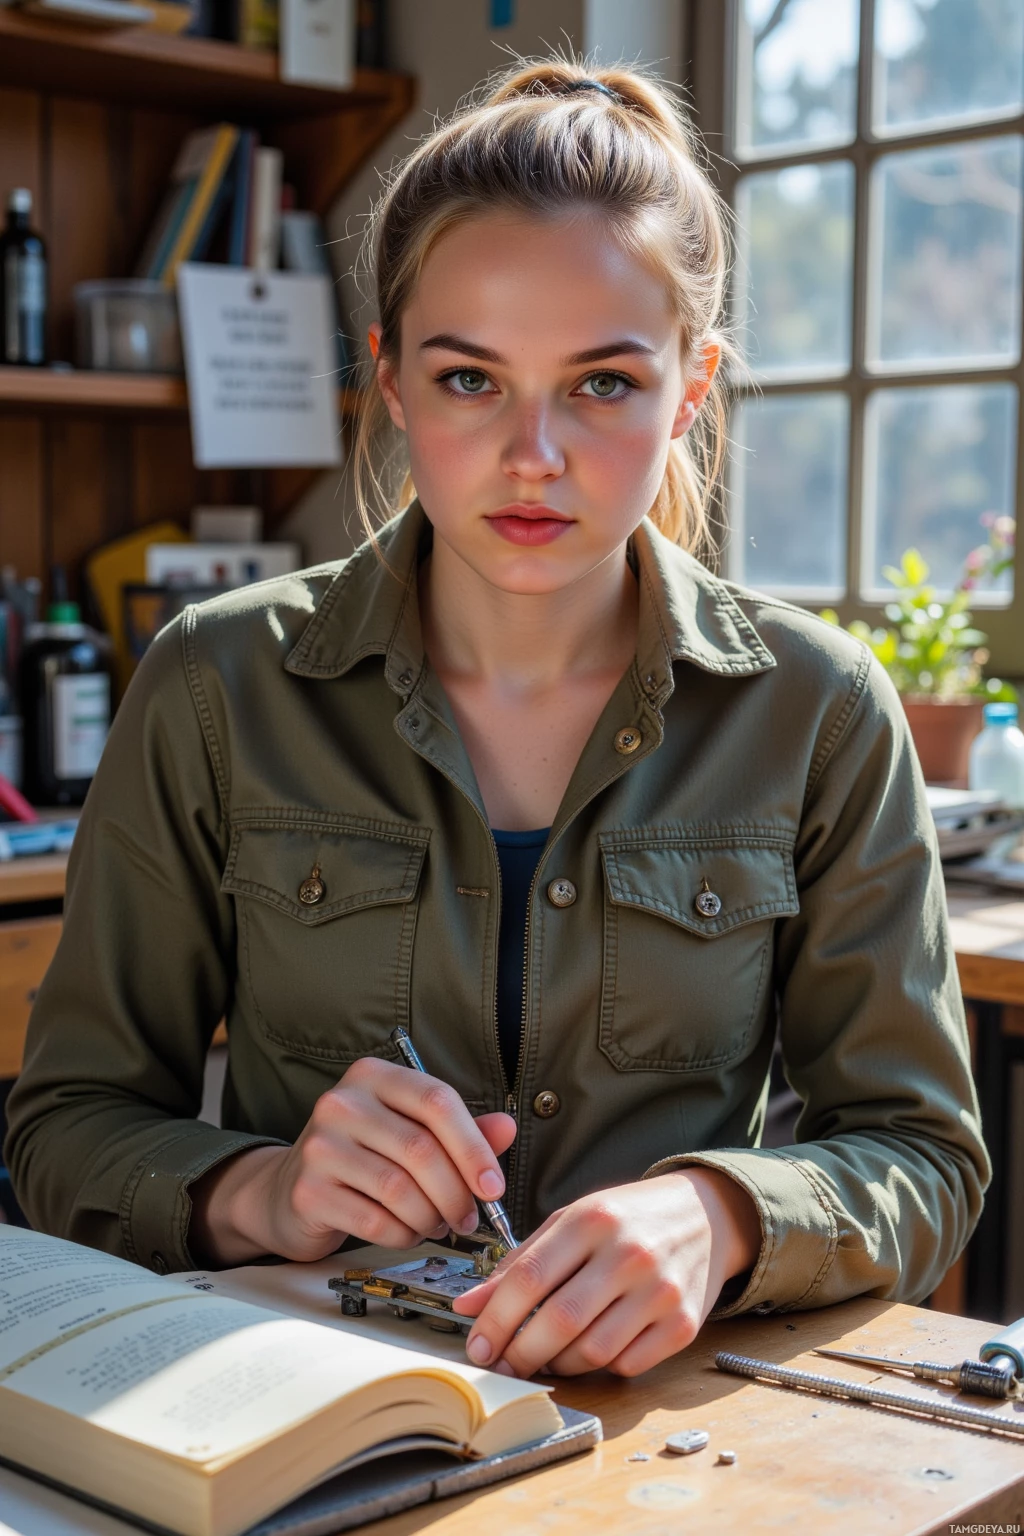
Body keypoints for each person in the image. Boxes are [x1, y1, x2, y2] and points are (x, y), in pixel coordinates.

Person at [5, 59, 988, 1382]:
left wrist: (724, 1216)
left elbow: (925, 1158)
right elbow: (63, 1126)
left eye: (602, 385)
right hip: (311, 1414)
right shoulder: (212, 684)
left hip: (681, 1443)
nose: (535, 456)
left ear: (690, 391)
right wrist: (265, 1190)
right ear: (393, 383)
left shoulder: (819, 711)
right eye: (472, 381)